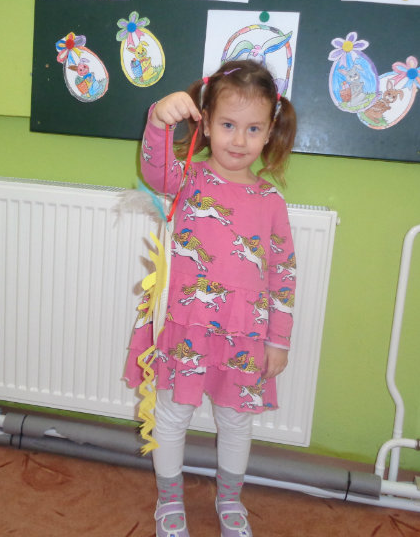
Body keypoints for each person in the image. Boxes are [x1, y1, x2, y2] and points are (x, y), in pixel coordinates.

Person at [124, 59, 298, 537]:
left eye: (253, 128)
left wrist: (278, 340)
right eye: (227, 125)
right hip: (186, 324)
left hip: (245, 334)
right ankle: (169, 501)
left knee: (237, 421)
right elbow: (154, 170)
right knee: (172, 415)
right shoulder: (188, 180)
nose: (239, 140)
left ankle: (230, 499)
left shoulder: (271, 201)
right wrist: (158, 119)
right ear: (206, 122)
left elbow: (283, 273)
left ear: (269, 132)